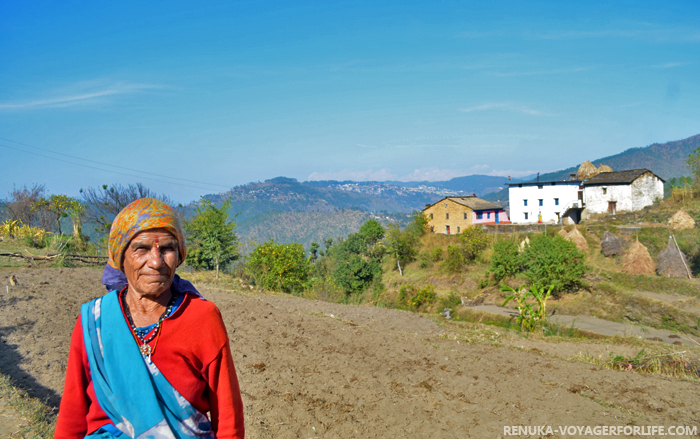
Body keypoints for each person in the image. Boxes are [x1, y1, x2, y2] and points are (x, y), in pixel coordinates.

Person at [55, 198, 245, 438]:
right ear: (120, 257)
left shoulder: (202, 317)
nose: (156, 262)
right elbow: (72, 412)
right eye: (141, 249)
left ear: (179, 255)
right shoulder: (95, 322)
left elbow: (228, 416)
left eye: (167, 248)